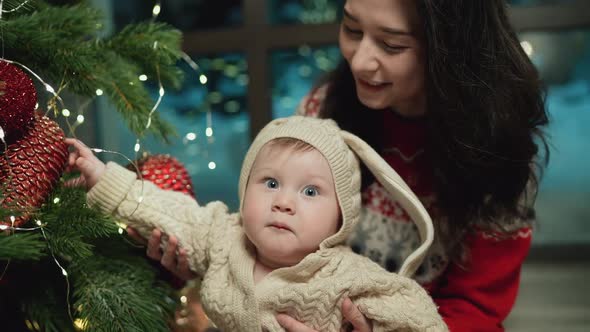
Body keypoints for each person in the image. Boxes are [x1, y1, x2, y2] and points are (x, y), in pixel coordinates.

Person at [143, 0, 551, 331]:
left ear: (450, 50)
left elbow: (476, 310)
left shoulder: (499, 151)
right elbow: (272, 241)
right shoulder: (324, 111)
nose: (359, 62)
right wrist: (210, 263)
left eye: (392, 45)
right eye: (353, 30)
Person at [65, 116, 448, 332]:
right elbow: (167, 209)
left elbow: (418, 319)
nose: (283, 201)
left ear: (341, 218)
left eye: (310, 192)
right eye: (270, 183)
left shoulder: (349, 277)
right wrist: (102, 177)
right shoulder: (222, 236)